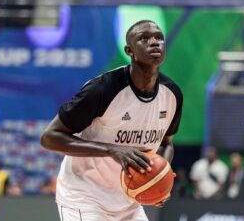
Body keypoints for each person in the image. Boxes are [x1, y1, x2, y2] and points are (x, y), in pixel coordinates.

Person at [40, 20, 183, 221]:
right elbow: (49, 138)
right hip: (84, 195)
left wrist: (159, 178)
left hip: (128, 199)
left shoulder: (172, 95)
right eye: (144, 39)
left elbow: (167, 144)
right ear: (129, 50)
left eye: (159, 38)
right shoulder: (103, 89)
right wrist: (111, 149)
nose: (154, 43)